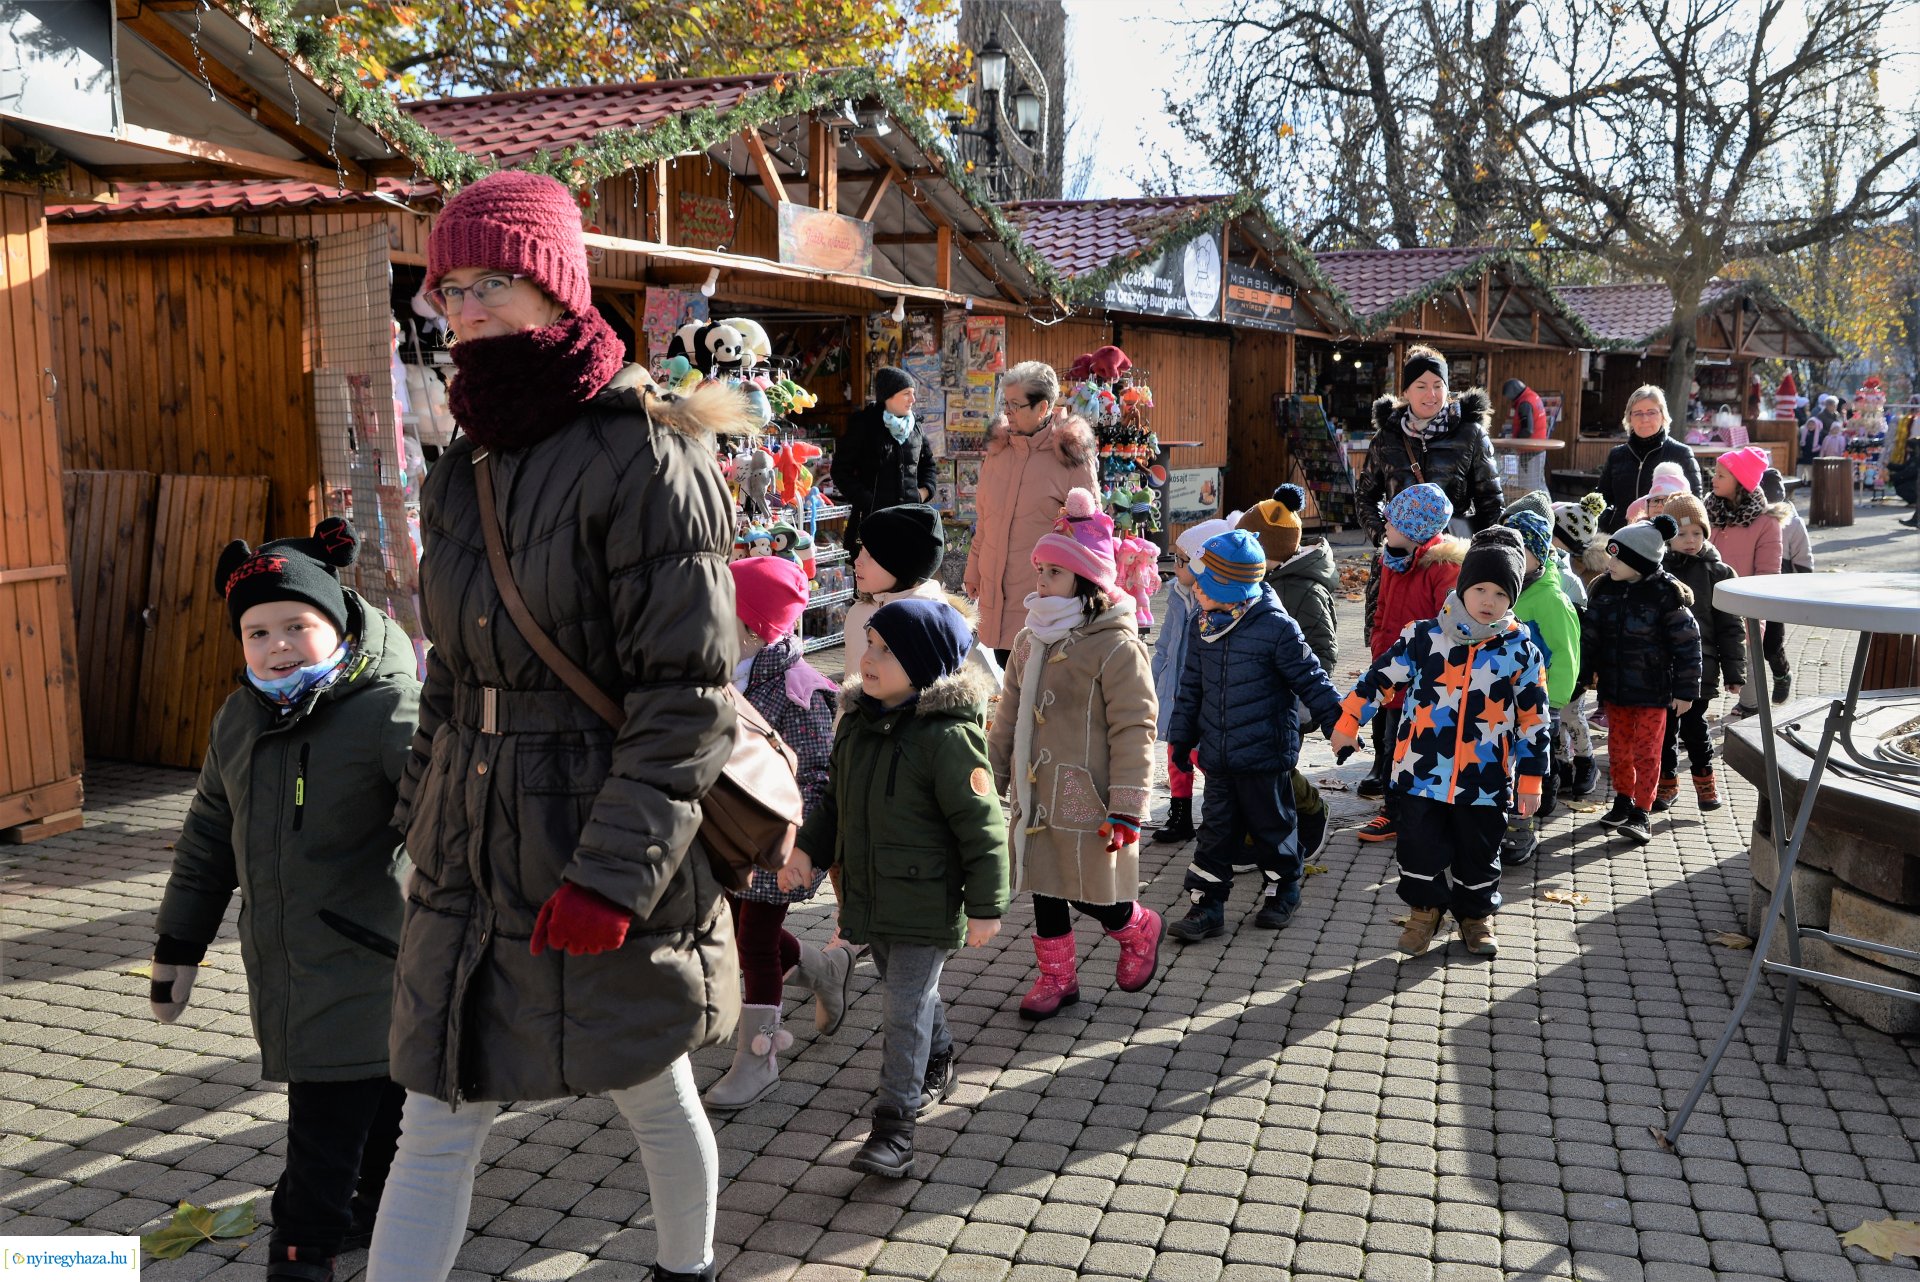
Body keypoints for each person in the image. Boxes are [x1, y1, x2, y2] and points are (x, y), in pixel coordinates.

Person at [374, 172, 748, 1282]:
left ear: (556, 286)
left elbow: (685, 697)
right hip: (469, 846)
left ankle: (686, 1268)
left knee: (650, 1084)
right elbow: (452, 677)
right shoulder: (466, 461)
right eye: (450, 288)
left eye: (492, 281)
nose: (467, 308)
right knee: (437, 1109)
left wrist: (613, 880)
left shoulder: (647, 450)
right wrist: (414, 827)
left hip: (596, 836)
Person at [150, 519, 417, 1282]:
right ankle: (378, 1205)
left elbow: (446, 822)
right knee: (377, 1108)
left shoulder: (387, 710)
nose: (278, 647)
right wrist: (177, 948)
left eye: (297, 625)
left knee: (323, 1135)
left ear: (336, 623)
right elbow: (208, 839)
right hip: (295, 968)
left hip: (369, 963)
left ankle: (302, 1252)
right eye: (257, 632)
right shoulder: (240, 719)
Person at [781, 599, 1009, 1178]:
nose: (868, 658)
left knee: (902, 1007)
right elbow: (834, 804)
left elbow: (982, 827)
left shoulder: (948, 737)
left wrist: (986, 906)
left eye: (886, 651)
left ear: (924, 664)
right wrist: (806, 850)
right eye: (870, 645)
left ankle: (895, 1128)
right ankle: (939, 1054)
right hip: (869, 896)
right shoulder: (857, 723)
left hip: (926, 903)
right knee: (912, 996)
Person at [1331, 527, 1549, 958]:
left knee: (1479, 853)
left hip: (1484, 779)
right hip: (1419, 774)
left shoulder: (1521, 652)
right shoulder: (1424, 637)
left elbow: (1534, 720)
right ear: (1463, 587)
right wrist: (1349, 719)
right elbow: (1378, 680)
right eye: (1480, 589)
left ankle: (1475, 916)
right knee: (1418, 849)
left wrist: (1531, 779)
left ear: (1512, 599)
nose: (1488, 601)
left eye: (1501, 594)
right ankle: (1424, 912)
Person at [989, 488, 1161, 1020]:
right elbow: (1009, 712)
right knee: (1042, 883)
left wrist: (1128, 804)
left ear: (1086, 579)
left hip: (1089, 793)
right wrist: (991, 775)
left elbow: (1135, 726)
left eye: (1054, 573)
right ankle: (1057, 978)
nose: (1041, 581)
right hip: (1035, 789)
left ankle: (1134, 926)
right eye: (1039, 570)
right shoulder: (1029, 639)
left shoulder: (1115, 644)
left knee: (1090, 887)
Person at [703, 557, 845, 1113]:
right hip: (726, 835)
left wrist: (798, 848)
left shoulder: (798, 690)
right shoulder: (721, 670)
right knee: (741, 933)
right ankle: (823, 970)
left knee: (756, 945)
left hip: (773, 843)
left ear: (752, 626)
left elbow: (818, 776)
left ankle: (758, 1060)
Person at [1165, 530, 1343, 943]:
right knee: (1214, 833)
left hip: (1265, 754)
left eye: (1204, 585)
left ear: (1230, 588)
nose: (1196, 591)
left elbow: (1311, 679)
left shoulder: (1276, 627)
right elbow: (1191, 688)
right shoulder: (1202, 624)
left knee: (1273, 829)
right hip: (1219, 755)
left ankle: (1284, 889)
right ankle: (1206, 905)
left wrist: (1339, 725)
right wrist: (1181, 738)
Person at [1577, 515, 1703, 846]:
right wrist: (1582, 676)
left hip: (1653, 692)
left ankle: (1642, 811)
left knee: (1647, 752)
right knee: (1619, 750)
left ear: (1641, 562)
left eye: (1618, 558)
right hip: (1615, 690)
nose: (1610, 563)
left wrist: (1686, 691)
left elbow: (1688, 645)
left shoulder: (1666, 594)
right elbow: (1589, 638)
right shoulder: (1604, 589)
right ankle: (1623, 799)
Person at [965, 362, 1101, 660]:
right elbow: (985, 520)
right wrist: (973, 569)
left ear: (1042, 408)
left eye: (1016, 405)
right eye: (1005, 404)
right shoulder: (998, 451)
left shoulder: (1070, 456)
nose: (1007, 412)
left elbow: (1092, 537)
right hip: (994, 598)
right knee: (1006, 671)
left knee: (1038, 680)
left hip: (1044, 605)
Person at [1356, 483, 1464, 843]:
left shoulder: (1444, 568)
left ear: (1414, 528)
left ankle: (1425, 813)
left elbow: (1447, 627)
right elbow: (1382, 609)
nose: (1385, 525)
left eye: (1391, 521)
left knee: (1426, 748)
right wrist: (1379, 646)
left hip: (1427, 683)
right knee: (1392, 746)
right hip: (1392, 674)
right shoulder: (1392, 560)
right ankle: (1393, 811)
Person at [1238, 484, 1338, 861]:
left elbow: (1323, 652)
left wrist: (1306, 699)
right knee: (1252, 766)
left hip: (1290, 700)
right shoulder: (1255, 582)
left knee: (1274, 767)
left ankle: (1312, 810)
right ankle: (1255, 832)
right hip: (1255, 693)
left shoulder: (1304, 591)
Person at [1496, 505, 1581, 866]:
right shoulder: (1500, 589)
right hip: (1496, 699)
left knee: (1527, 765)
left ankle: (1520, 829)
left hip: (1536, 701)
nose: (1512, 556)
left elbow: (1566, 654)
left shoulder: (1551, 599)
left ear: (1540, 554)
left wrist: (1554, 702)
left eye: (1521, 550)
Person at [1148, 514, 1237, 844]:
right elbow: (1164, 645)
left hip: (1203, 699)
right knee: (1176, 756)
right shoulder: (1176, 595)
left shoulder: (1216, 605)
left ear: (1203, 566)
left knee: (1204, 758)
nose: (1175, 566)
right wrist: (1153, 683)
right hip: (1175, 694)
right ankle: (1180, 816)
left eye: (1182, 560)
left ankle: (1223, 817)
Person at [845, 502, 1001, 688]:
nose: (857, 561)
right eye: (860, 550)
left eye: (870, 555)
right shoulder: (858, 613)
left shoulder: (933, 623)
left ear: (902, 565)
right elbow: (850, 683)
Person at [1356, 345, 1503, 542]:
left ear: (1447, 389)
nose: (1431, 394)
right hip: (1402, 555)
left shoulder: (1471, 434)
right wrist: (1384, 538)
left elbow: (1491, 504)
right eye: (1421, 386)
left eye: (1438, 385)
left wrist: (1487, 550)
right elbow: (1366, 498)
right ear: (1406, 391)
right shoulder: (1386, 438)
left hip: (1453, 552)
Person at [1657, 494, 1744, 813]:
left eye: (1697, 533)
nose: (1690, 540)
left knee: (1695, 728)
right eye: (1682, 534)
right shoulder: (1656, 569)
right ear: (1667, 536)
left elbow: (1730, 626)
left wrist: (1735, 672)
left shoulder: (1718, 572)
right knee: (1664, 730)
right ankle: (1666, 784)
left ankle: (1705, 784)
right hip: (1662, 665)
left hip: (1700, 668)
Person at [1706, 446, 1786, 714]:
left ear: (1740, 482)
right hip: (1708, 596)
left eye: (1721, 475)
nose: (1714, 479)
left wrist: (1754, 610)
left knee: (1748, 655)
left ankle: (1752, 706)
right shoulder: (1709, 510)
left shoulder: (1765, 522)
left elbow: (1768, 572)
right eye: (1715, 473)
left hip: (1744, 603)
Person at [837, 366, 937, 553]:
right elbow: (840, 471)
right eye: (906, 393)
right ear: (889, 396)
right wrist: (868, 501)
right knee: (870, 570)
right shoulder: (864, 425)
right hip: (871, 522)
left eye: (913, 393)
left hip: (909, 522)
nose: (913, 400)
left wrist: (923, 492)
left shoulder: (915, 427)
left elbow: (928, 465)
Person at [1551, 495, 1609, 798]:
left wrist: (1591, 667)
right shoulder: (1548, 567)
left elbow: (1591, 628)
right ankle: (1562, 765)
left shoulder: (1585, 577)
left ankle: (1586, 762)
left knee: (1572, 715)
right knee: (1555, 717)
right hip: (1554, 656)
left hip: (1577, 659)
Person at [1596, 385, 1703, 533]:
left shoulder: (1681, 453)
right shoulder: (1617, 455)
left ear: (1663, 415)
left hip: (1663, 539)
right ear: (1629, 418)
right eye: (1638, 413)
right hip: (1620, 536)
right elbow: (1601, 499)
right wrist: (1606, 523)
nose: (1645, 419)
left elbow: (1695, 504)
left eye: (1651, 412)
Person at [1761, 469, 1812, 693]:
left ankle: (1782, 674)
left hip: (1779, 588)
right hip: (1754, 583)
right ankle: (1750, 697)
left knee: (1771, 643)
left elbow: (1803, 557)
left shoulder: (1794, 523)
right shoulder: (1752, 516)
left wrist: (1802, 585)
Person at [1623, 460, 1691, 525]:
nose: (1659, 505)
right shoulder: (1639, 529)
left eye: (1666, 500)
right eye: (1655, 500)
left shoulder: (1688, 528)